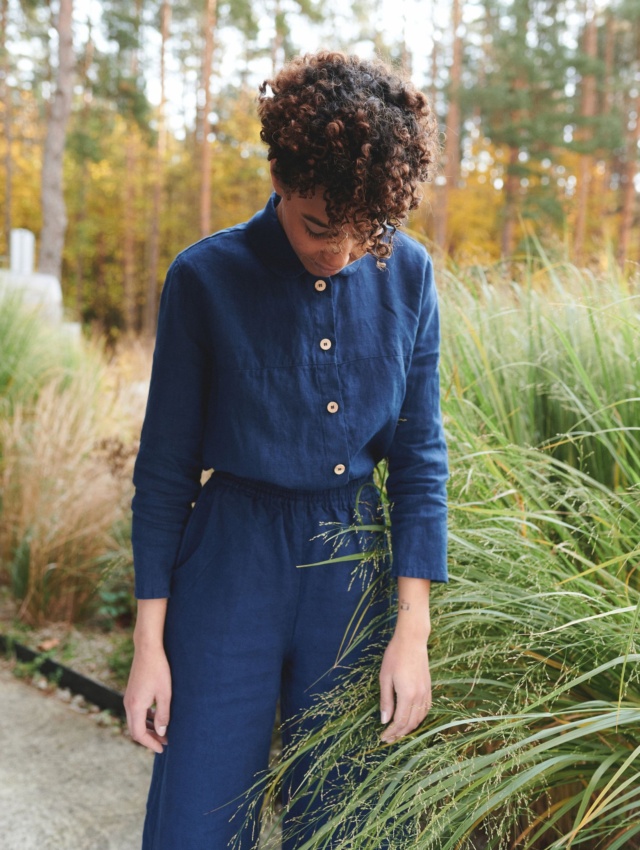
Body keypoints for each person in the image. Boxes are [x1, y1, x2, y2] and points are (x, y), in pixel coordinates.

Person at [124, 50, 448, 850]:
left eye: (361, 231)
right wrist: (147, 649)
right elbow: (164, 470)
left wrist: (414, 634)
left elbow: (419, 458)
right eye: (316, 227)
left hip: (352, 566)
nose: (338, 251)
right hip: (230, 558)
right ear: (277, 172)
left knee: (342, 815)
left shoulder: (408, 275)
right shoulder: (204, 279)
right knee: (196, 817)